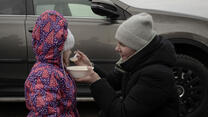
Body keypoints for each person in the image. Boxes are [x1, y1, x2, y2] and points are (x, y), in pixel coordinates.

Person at [74, 12, 179, 117]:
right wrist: (90, 66)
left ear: (138, 47)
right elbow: (112, 82)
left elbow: (122, 113)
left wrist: (95, 81)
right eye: (118, 42)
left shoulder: (157, 75)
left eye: (122, 44)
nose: (116, 48)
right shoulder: (137, 61)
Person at [24, 10, 79, 117]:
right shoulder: (44, 75)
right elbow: (45, 112)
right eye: (68, 49)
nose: (70, 52)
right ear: (59, 50)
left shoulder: (56, 69)